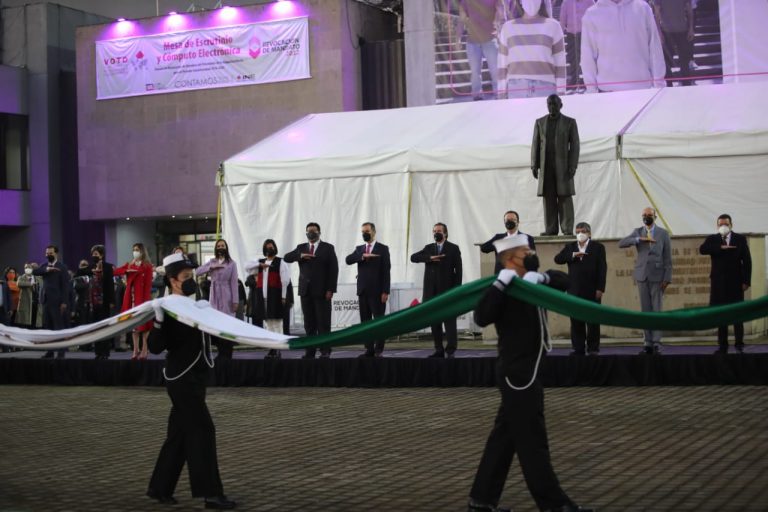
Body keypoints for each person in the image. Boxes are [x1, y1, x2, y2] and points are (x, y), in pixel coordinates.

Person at [469, 235, 592, 512]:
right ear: (511, 258)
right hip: (518, 375)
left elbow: (566, 281)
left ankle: (481, 500)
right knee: (532, 442)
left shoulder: (533, 282)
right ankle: (554, 504)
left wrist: (543, 279)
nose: (531, 253)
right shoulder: (503, 289)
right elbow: (482, 316)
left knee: (504, 440)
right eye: (526, 251)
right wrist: (502, 283)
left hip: (529, 371)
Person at [146, 253, 236, 510]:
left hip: (197, 375)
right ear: (173, 280)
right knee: (202, 430)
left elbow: (215, 337)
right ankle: (211, 494)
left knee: (180, 434)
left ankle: (159, 488)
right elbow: (154, 347)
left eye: (192, 277)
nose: (190, 282)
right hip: (181, 378)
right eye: (185, 278)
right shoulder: (168, 307)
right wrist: (159, 322)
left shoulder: (195, 305)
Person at [618, 207, 673, 355]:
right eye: (644, 215)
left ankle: (657, 342)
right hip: (642, 275)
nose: (646, 217)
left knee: (657, 310)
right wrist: (638, 239)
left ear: (655, 217)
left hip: (658, 276)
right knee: (645, 310)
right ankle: (647, 342)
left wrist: (667, 278)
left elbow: (667, 258)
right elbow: (621, 243)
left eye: (649, 215)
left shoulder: (663, 233)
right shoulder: (638, 231)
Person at [580, 0, 666, 93]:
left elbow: (654, 48)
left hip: (643, 89)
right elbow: (587, 55)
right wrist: (592, 91)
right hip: (607, 93)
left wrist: (659, 85)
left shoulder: (643, 8)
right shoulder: (592, 14)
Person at [284, 222, 339, 359]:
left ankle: (325, 350)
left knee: (323, 322)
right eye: (308, 231)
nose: (311, 233)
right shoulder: (301, 248)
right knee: (309, 323)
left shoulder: (328, 248)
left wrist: (330, 289)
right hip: (305, 291)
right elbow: (287, 257)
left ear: (319, 232)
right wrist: (300, 256)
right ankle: (310, 351)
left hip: (322, 291)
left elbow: (334, 270)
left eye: (314, 231)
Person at [699, 214, 752, 354]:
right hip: (718, 283)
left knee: (737, 314)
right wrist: (719, 247)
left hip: (736, 283)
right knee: (721, 314)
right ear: (717, 226)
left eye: (726, 224)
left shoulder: (740, 239)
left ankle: (739, 343)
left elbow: (747, 261)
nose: (723, 226)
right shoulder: (712, 239)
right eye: (721, 224)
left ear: (731, 225)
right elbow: (702, 249)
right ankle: (723, 345)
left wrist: (746, 281)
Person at [410, 223, 463, 358]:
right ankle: (438, 349)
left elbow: (459, 271)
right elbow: (413, 257)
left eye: (439, 231)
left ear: (445, 233)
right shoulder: (429, 248)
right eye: (434, 231)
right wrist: (429, 258)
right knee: (435, 321)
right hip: (431, 292)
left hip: (448, 291)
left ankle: (450, 349)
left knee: (449, 322)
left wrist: (456, 290)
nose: (436, 233)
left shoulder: (453, 248)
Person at [554, 222, 606, 354]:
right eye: (577, 232)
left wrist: (600, 288)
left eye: (582, 231)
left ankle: (593, 348)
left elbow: (602, 269)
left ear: (589, 233)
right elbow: (558, 259)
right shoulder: (570, 247)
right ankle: (578, 348)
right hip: (574, 290)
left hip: (592, 289)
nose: (580, 234)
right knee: (576, 321)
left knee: (593, 321)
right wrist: (572, 256)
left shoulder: (598, 247)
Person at [532, 94, 580, 236]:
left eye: (554, 104)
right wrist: (534, 165)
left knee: (565, 197)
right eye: (549, 104)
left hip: (563, 167)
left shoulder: (570, 122)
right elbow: (535, 145)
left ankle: (567, 229)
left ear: (561, 105)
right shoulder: (540, 122)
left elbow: (575, 145)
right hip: (546, 167)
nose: (551, 107)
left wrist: (573, 165)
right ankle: (551, 229)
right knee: (549, 198)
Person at [497, 0, 565, 99]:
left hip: (546, 89)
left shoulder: (553, 26)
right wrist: (501, 93)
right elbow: (502, 64)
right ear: (520, 2)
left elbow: (560, 64)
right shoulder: (508, 28)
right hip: (516, 90)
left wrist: (561, 92)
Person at [345, 222, 392, 357]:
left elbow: (386, 271)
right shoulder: (359, 249)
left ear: (374, 232)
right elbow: (348, 260)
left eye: (367, 231)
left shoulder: (383, 248)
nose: (364, 234)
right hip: (363, 291)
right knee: (365, 322)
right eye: (362, 232)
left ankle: (379, 349)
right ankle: (369, 348)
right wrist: (361, 256)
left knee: (378, 321)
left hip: (378, 292)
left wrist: (385, 291)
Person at [244, 239, 292, 359]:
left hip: (276, 296)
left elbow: (285, 281)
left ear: (275, 248)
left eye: (271, 247)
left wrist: (284, 297)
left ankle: (278, 349)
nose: (269, 249)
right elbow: (247, 267)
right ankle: (272, 348)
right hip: (263, 298)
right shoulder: (260, 263)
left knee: (277, 324)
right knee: (268, 325)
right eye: (267, 247)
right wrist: (259, 265)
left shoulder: (281, 262)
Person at [195, 239, 240, 360]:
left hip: (227, 295)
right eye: (219, 246)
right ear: (216, 248)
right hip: (214, 295)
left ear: (226, 247)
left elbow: (234, 283)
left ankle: (228, 353)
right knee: (216, 324)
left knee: (227, 324)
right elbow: (197, 272)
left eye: (223, 245)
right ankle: (220, 352)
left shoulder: (232, 263)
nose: (221, 247)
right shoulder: (212, 261)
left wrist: (235, 301)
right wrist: (211, 266)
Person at [114, 243, 154, 360]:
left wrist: (146, 301)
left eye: (137, 250)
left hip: (142, 299)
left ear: (142, 251)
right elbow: (117, 271)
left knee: (144, 326)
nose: (135, 252)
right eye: (133, 250)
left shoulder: (147, 266)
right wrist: (110, 269)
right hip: (130, 299)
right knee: (134, 327)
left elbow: (148, 285)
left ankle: (145, 349)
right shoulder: (130, 264)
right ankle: (135, 349)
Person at [459, 0, 503, 101]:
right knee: (475, 72)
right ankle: (477, 95)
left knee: (495, 70)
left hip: (490, 39)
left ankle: (498, 94)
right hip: (472, 41)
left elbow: (501, 13)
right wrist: (458, 38)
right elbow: (461, 20)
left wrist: (499, 26)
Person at [33, 245, 71, 359]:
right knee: (47, 327)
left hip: (58, 302)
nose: (48, 255)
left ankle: (61, 352)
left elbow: (65, 286)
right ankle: (50, 351)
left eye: (50, 253)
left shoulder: (62, 267)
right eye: (47, 253)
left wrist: (64, 302)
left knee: (58, 327)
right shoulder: (44, 266)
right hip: (45, 301)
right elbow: (35, 271)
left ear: (56, 254)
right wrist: (47, 269)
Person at [653, 0, 694, 87]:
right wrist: (659, 33)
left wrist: (691, 28)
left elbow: (689, 10)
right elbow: (656, 15)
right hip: (666, 31)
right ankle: (669, 84)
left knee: (684, 60)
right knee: (665, 61)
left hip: (682, 30)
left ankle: (686, 84)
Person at [558, 0, 595, 92]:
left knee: (584, 60)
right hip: (571, 35)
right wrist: (560, 35)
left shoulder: (589, 1)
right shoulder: (566, 2)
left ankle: (584, 83)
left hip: (584, 34)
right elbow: (562, 19)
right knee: (571, 60)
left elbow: (594, 16)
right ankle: (572, 84)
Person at [89, 245, 116, 360]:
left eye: (96, 254)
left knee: (104, 327)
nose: (94, 256)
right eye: (93, 254)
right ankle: (97, 352)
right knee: (96, 328)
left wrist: (111, 300)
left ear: (102, 255)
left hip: (104, 301)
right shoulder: (90, 267)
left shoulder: (108, 267)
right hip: (93, 302)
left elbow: (110, 285)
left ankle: (105, 352)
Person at [15, 264, 39, 328]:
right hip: (26, 301)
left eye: (29, 267)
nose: (27, 269)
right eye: (26, 267)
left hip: (36, 301)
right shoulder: (21, 277)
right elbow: (19, 284)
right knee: (25, 321)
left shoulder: (36, 277)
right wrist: (30, 284)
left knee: (35, 319)